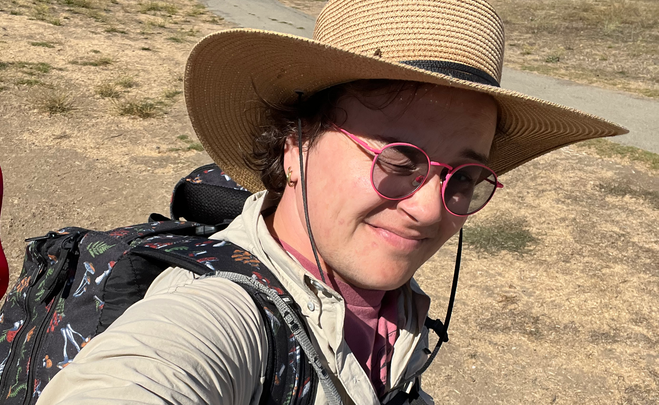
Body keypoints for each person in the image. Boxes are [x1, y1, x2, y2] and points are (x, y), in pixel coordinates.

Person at [37, 0, 626, 404]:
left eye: (464, 176)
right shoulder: (218, 314)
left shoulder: (392, 305)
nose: (429, 210)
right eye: (397, 161)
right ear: (295, 147)